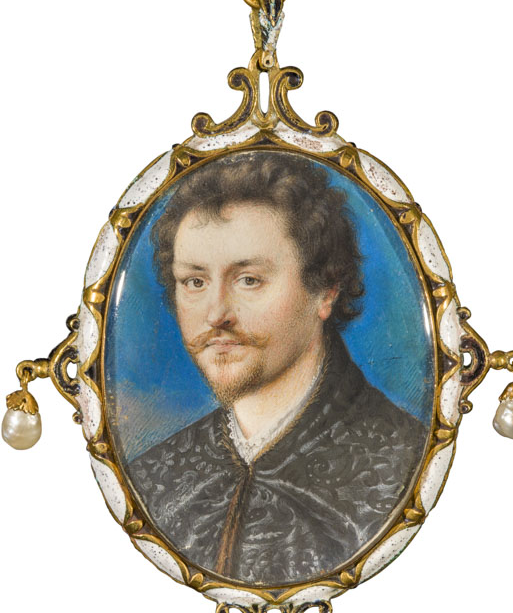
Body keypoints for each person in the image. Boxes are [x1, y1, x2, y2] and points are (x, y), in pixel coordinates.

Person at [128, 152, 428, 586]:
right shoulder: (153, 476)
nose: (215, 314)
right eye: (195, 282)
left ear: (325, 291)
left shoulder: (403, 462)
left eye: (248, 279)